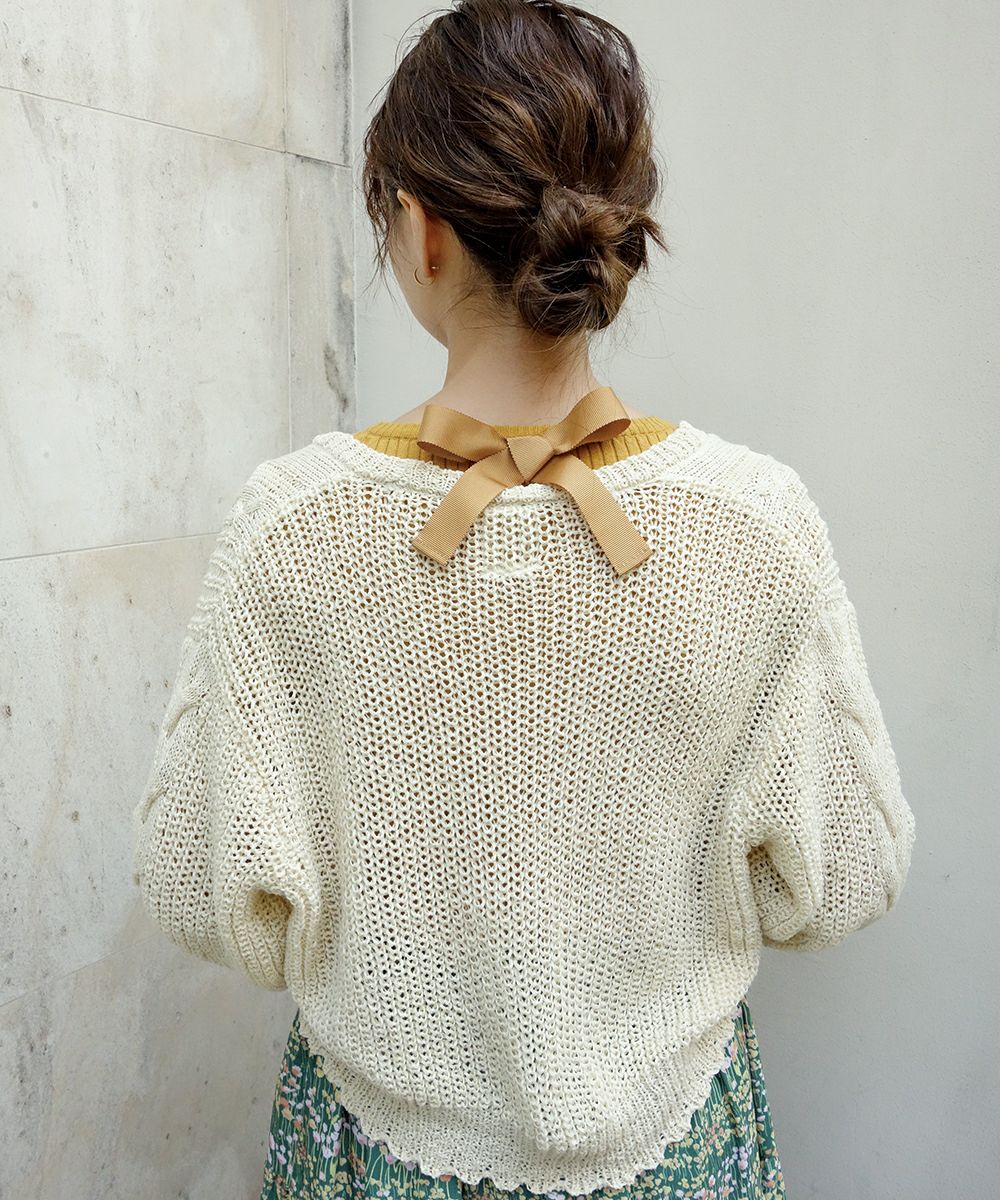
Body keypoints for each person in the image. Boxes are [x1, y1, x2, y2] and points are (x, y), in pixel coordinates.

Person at [130, 2, 916, 1198]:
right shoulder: (757, 522)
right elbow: (843, 877)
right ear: (615, 231)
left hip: (374, 1150)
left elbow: (203, 888)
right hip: (673, 1148)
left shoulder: (292, 529)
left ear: (419, 230)